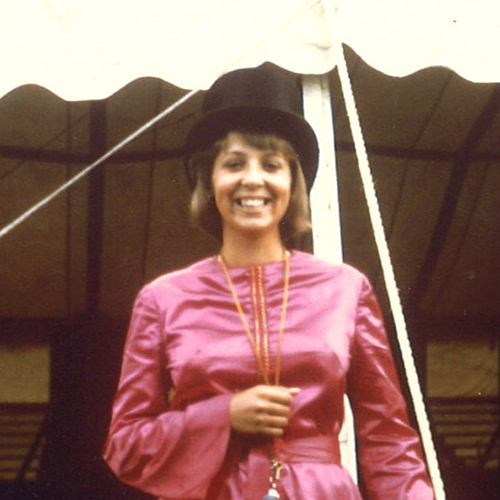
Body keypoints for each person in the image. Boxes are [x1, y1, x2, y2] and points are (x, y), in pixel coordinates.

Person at [103, 64, 434, 500]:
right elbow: (125, 447)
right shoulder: (163, 298)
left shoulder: (345, 290)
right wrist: (223, 416)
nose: (253, 179)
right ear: (209, 179)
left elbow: (387, 437)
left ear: (293, 182)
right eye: (234, 163)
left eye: (272, 164)